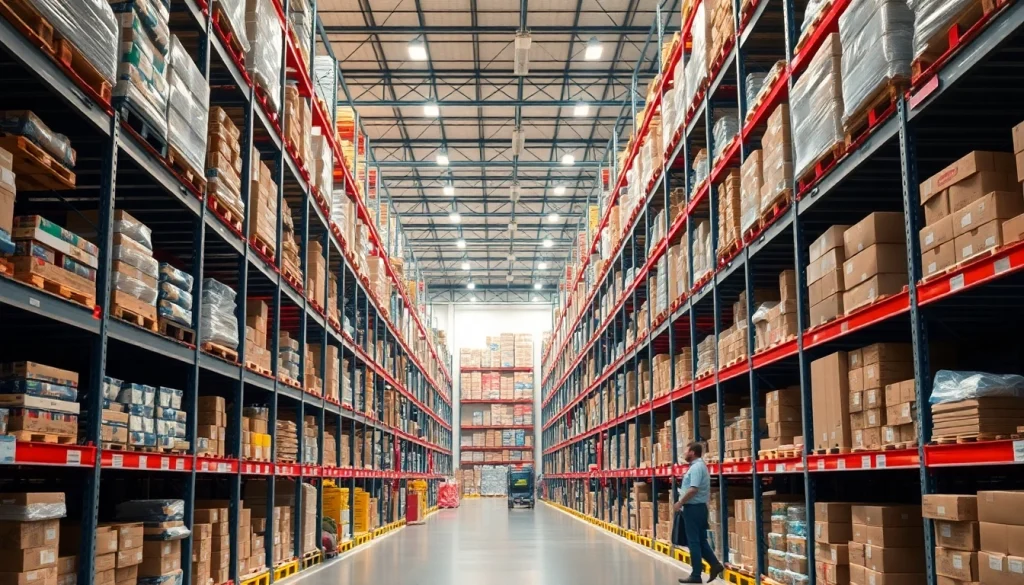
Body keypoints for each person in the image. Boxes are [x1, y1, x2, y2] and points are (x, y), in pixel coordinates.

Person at [674, 442, 724, 584]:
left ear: (693, 452)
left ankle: (696, 575)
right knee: (701, 540)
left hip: (693, 509)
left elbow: (693, 489)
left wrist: (680, 503)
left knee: (694, 542)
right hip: (699, 508)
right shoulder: (698, 466)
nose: (684, 453)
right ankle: (715, 565)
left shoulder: (696, 468)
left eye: (686, 450)